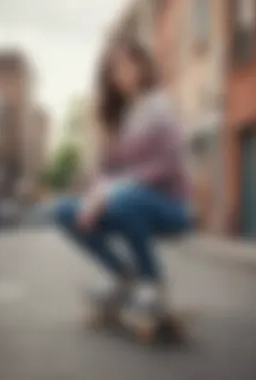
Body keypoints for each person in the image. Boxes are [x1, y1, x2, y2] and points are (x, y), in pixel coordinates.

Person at [55, 38, 193, 313]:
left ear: (143, 65)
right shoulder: (119, 118)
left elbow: (167, 164)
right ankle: (124, 276)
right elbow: (105, 172)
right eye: (114, 68)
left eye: (127, 63)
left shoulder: (160, 106)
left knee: (126, 198)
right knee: (65, 212)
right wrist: (97, 193)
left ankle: (152, 283)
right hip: (125, 202)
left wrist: (112, 190)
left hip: (171, 206)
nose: (122, 72)